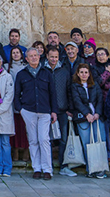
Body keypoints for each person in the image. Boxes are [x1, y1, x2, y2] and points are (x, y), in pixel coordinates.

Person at [15, 48, 56, 180]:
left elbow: (52, 94)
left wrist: (54, 111)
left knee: (44, 139)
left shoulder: (46, 73)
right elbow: (16, 94)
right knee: (33, 140)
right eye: (30, 56)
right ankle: (37, 168)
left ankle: (47, 169)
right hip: (28, 111)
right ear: (26, 59)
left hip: (44, 111)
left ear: (39, 57)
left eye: (35, 56)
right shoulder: (22, 74)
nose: (33, 58)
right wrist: (20, 109)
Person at [70, 63, 106, 178]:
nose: (84, 74)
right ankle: (90, 168)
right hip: (83, 118)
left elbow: (100, 100)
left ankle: (100, 169)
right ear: (78, 74)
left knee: (99, 141)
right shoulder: (74, 86)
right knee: (87, 144)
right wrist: (87, 114)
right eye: (81, 72)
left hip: (96, 117)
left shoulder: (95, 85)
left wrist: (97, 113)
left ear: (89, 73)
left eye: (86, 72)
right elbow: (77, 101)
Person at [44, 46, 74, 177]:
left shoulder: (64, 71)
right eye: (51, 57)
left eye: (56, 57)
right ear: (47, 56)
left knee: (63, 139)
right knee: (47, 140)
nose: (54, 59)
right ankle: (47, 166)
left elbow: (69, 91)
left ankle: (63, 165)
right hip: (45, 110)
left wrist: (69, 108)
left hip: (62, 110)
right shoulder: (42, 71)